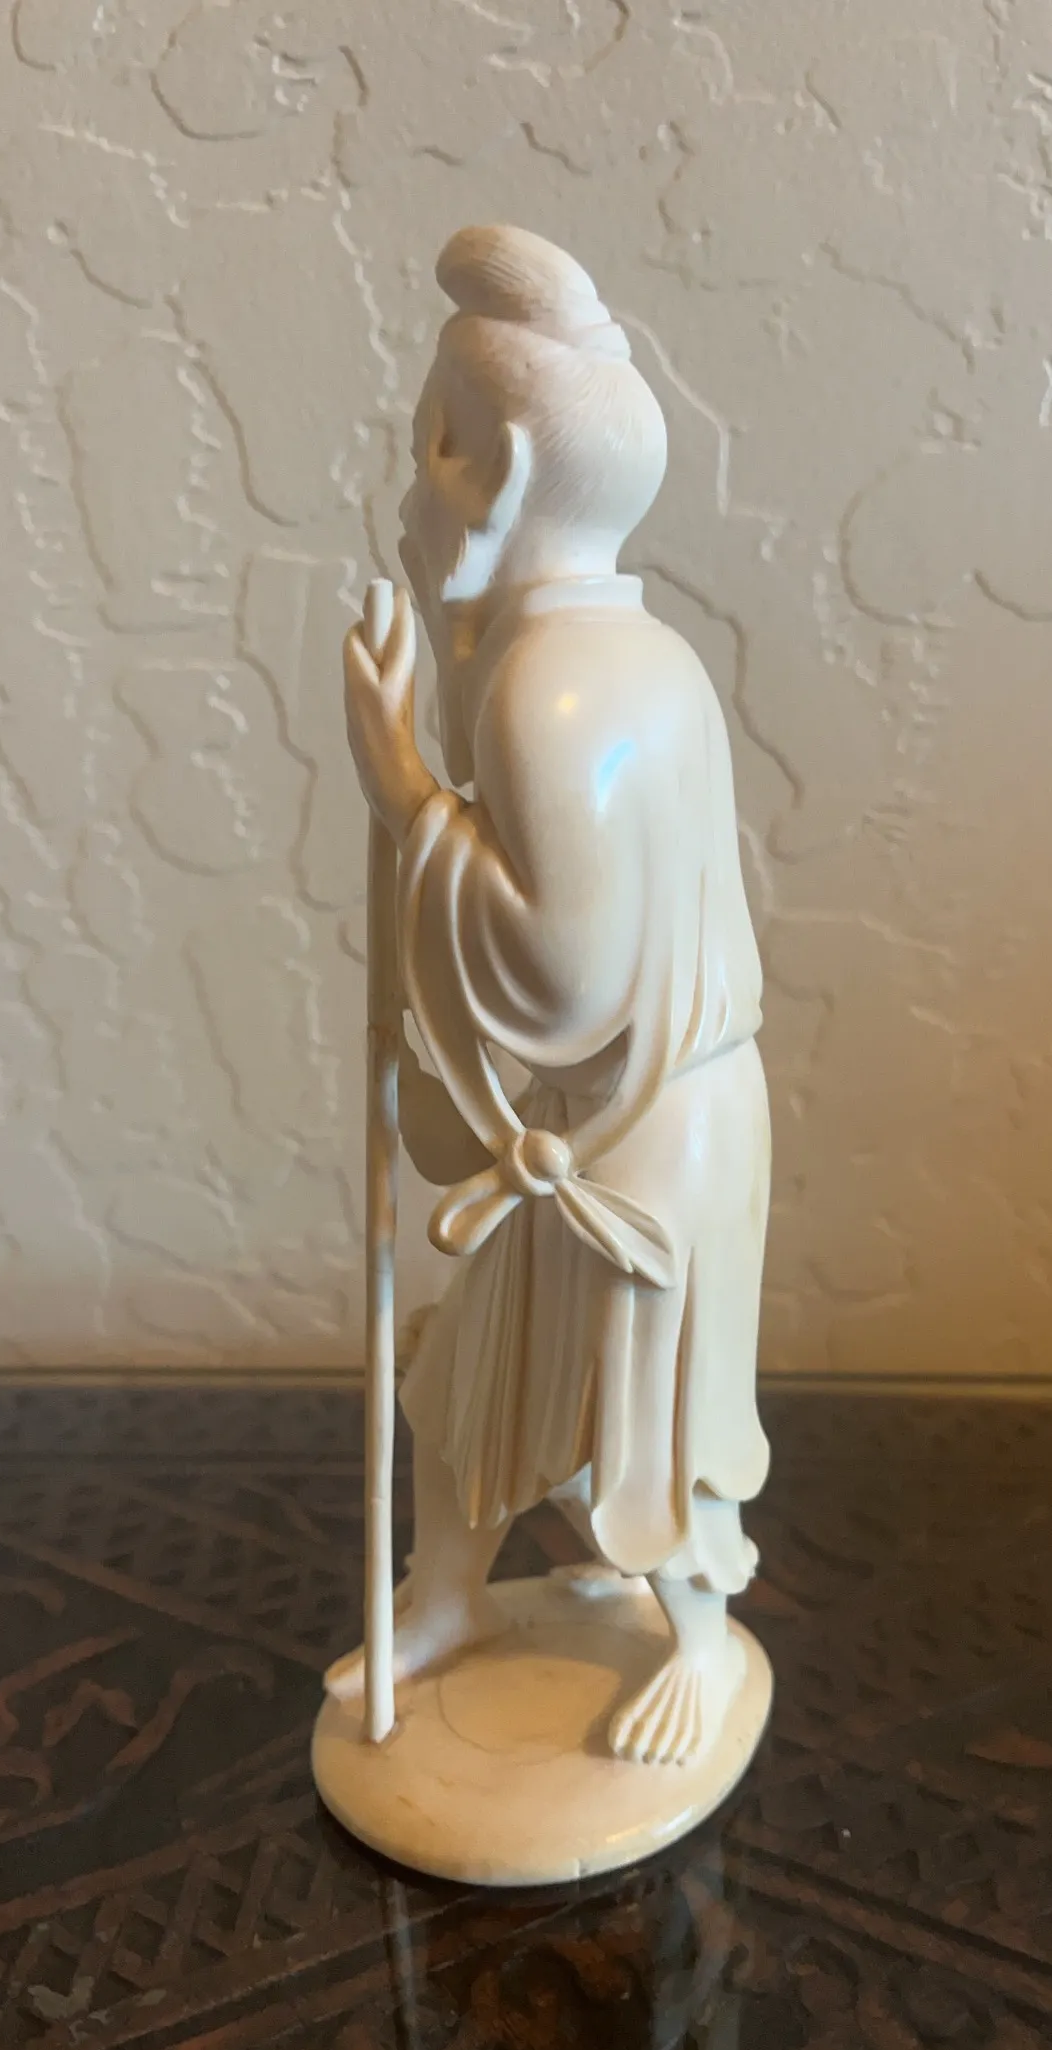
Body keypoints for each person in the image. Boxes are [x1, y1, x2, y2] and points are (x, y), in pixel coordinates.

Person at [329, 226, 771, 1766]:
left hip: (644, 1129)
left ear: (504, 469)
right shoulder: (613, 652)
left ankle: (697, 1646)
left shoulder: (552, 689)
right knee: (479, 1371)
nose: (409, 488)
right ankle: (446, 1592)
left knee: (651, 1415)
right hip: (617, 1111)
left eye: (431, 448)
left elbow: (559, 971)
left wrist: (402, 790)